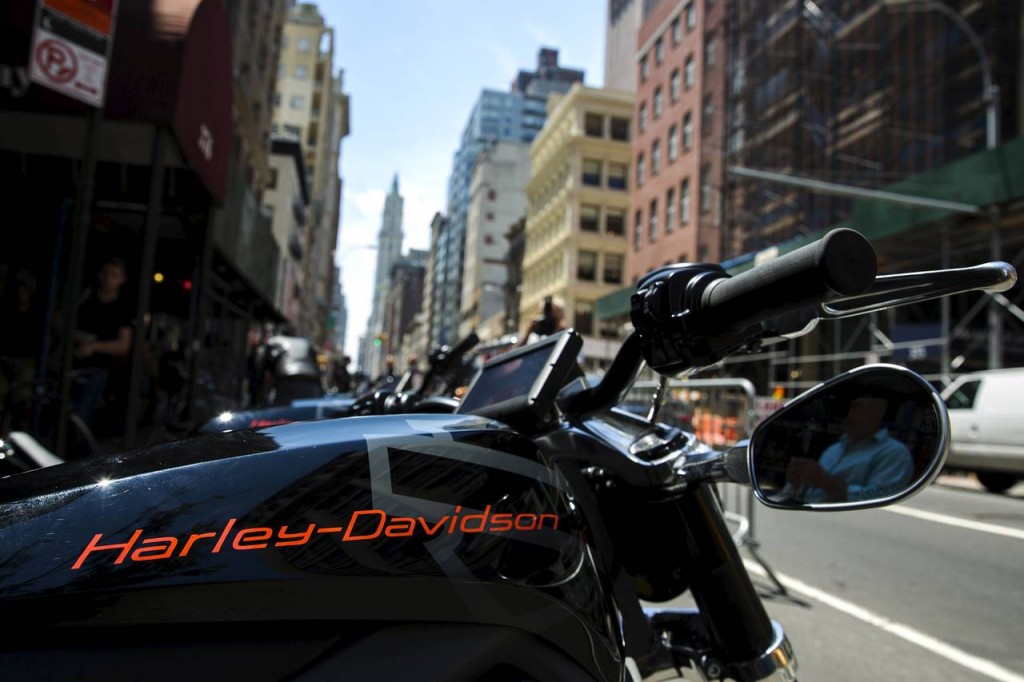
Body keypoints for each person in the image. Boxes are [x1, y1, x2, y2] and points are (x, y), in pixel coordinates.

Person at [784, 391, 915, 503]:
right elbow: (809, 493)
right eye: (847, 409)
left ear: (879, 412)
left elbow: (877, 499)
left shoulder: (895, 453)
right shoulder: (834, 449)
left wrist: (824, 481)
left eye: (856, 407)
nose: (848, 415)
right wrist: (797, 482)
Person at [70, 257, 134, 435]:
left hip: (101, 369)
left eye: (114, 275)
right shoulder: (85, 297)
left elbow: (123, 345)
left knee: (81, 417)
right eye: (106, 273)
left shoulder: (123, 308)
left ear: (122, 279)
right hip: (73, 363)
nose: (108, 278)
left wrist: (94, 346)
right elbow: (61, 319)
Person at [262, 329, 323, 406]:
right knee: (307, 413)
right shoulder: (306, 343)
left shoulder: (275, 341)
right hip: (310, 382)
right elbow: (316, 366)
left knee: (281, 412)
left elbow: (266, 366)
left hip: (286, 380)